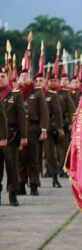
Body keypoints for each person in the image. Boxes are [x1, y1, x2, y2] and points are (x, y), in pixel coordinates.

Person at [17, 69, 48, 196]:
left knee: (33, 159)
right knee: (20, 159)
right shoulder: (15, 92)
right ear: (18, 79)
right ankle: (21, 184)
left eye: (26, 76)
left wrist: (44, 129)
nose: (24, 78)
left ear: (31, 79)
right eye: (22, 76)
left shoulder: (37, 92)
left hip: (33, 129)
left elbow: (44, 112)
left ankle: (34, 185)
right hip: (18, 131)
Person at [0, 66, 26, 206]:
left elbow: (22, 117)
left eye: (3, 76)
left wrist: (24, 136)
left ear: (7, 78)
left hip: (10, 135)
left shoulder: (15, 94)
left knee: (12, 167)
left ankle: (13, 194)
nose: (0, 79)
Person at [43, 73, 64, 188]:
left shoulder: (53, 95)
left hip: (51, 128)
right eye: (50, 81)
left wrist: (59, 127)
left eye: (54, 81)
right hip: (36, 127)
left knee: (51, 153)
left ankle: (55, 176)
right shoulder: (38, 94)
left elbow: (58, 112)